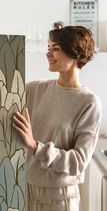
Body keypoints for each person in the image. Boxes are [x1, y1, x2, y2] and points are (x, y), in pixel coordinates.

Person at [12, 22, 102, 211]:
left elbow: (78, 162)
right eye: (48, 48)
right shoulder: (34, 89)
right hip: (24, 190)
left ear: (75, 53)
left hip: (60, 198)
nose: (48, 53)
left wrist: (36, 147)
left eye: (56, 48)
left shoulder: (89, 102)